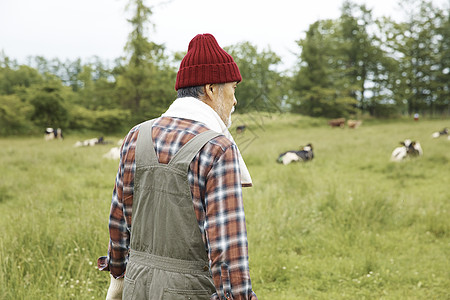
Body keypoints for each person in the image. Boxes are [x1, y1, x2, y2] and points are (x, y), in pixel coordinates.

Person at [98, 33, 257, 300]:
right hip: (190, 291)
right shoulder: (218, 148)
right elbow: (228, 252)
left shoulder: (136, 136)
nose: (234, 100)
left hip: (136, 286)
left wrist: (119, 275)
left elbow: (119, 221)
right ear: (211, 88)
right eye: (233, 89)